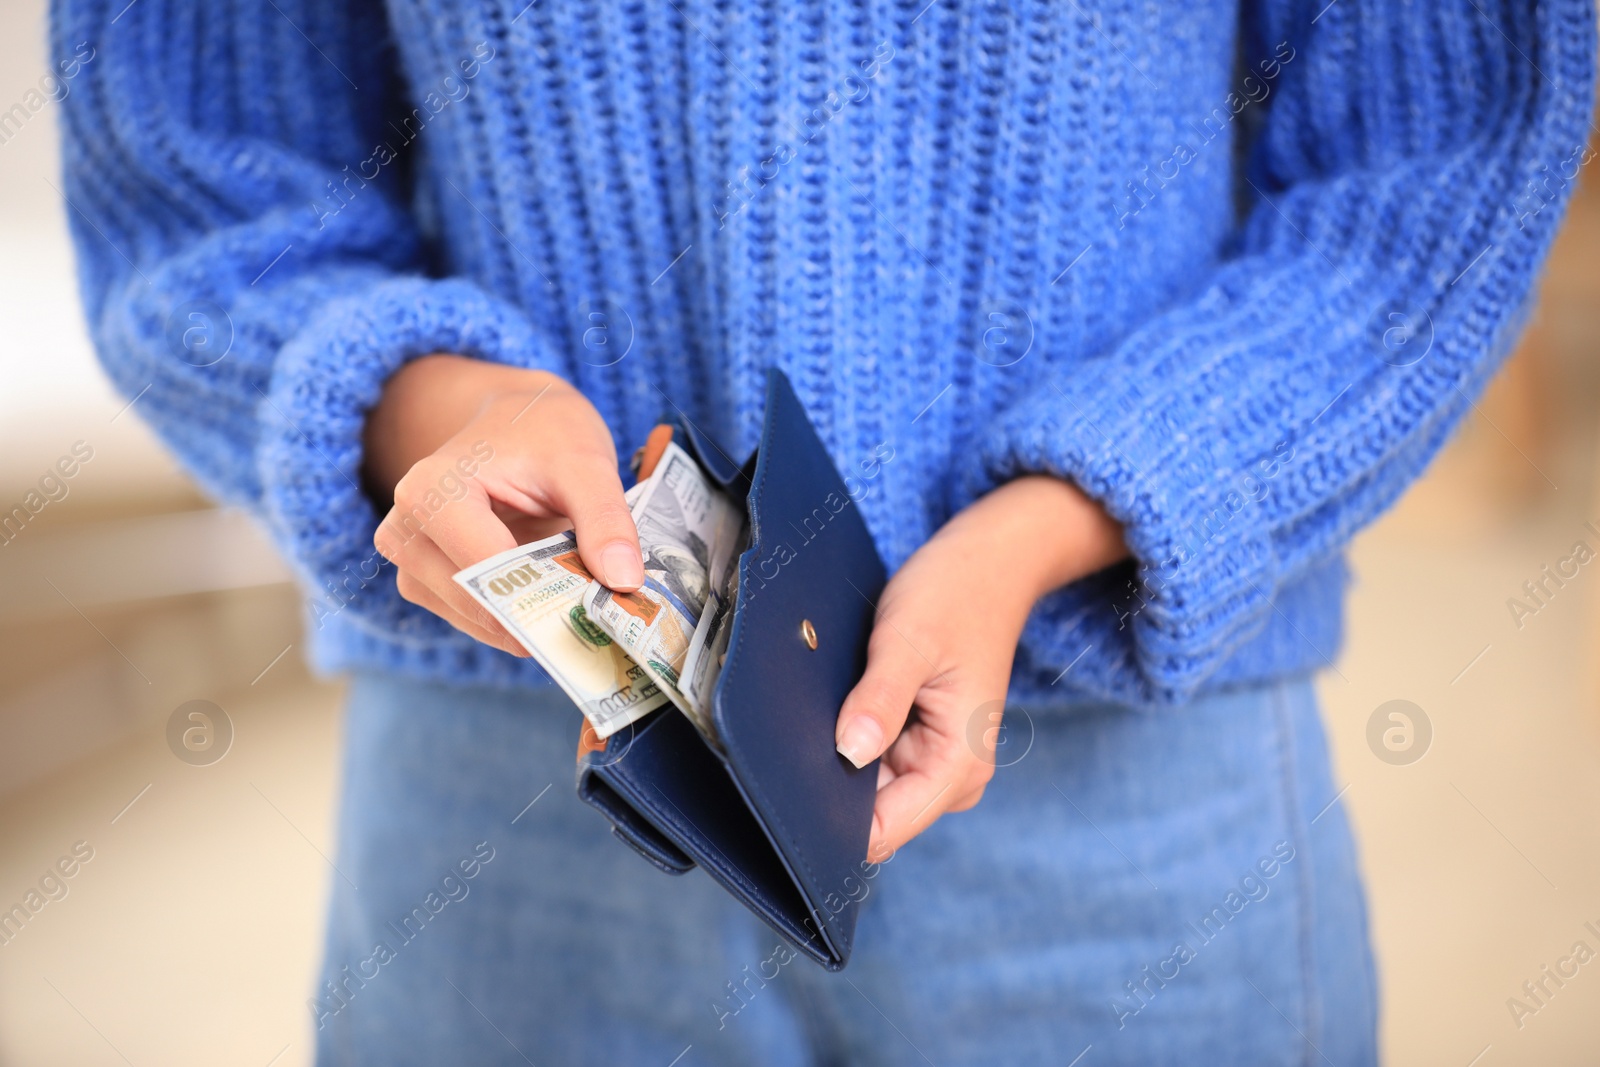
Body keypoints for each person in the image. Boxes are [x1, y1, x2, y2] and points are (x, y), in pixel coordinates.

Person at [53, 0, 1594, 1063]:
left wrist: (1081, 503)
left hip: (1131, 775)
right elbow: (205, 183)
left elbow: (1429, 157)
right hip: (523, 785)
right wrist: (422, 400)